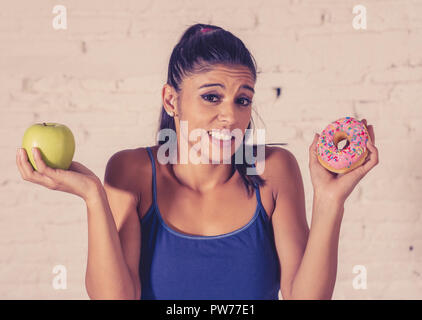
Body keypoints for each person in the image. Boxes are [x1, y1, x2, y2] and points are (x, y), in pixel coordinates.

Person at [16, 23, 379, 300]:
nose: (230, 117)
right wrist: (94, 196)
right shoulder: (131, 172)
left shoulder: (275, 169)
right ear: (171, 101)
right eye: (211, 97)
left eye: (242, 100)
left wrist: (331, 201)